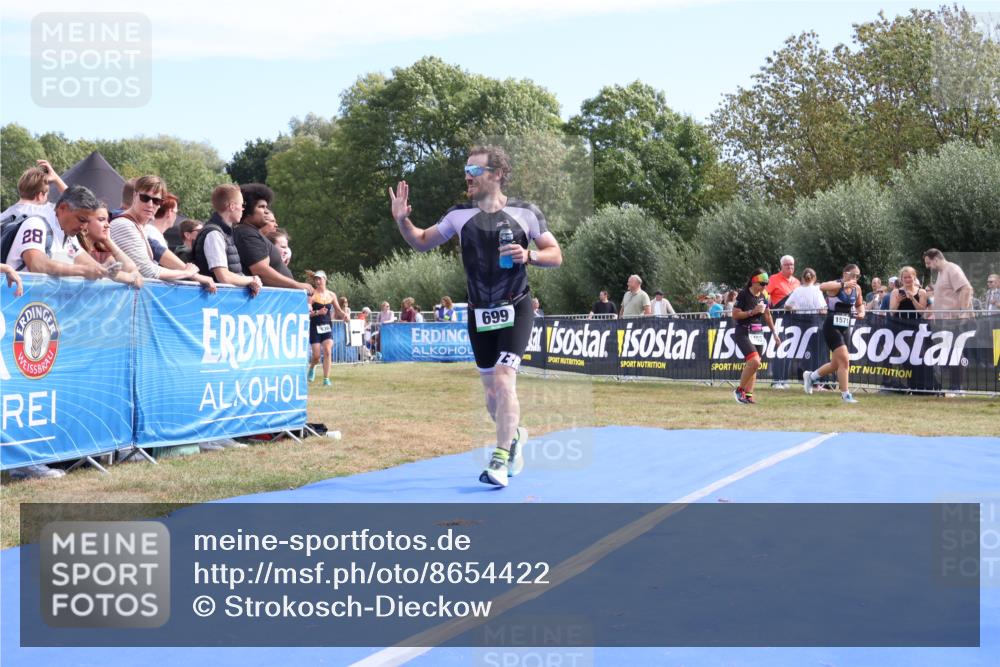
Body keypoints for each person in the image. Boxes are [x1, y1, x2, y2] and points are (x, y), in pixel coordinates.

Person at [389, 144, 562, 487]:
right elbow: (422, 241)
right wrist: (402, 220)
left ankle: (499, 460)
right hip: (479, 312)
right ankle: (514, 438)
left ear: (496, 174)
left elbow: (555, 254)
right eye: (466, 172)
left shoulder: (526, 213)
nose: (467, 177)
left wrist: (529, 256)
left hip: (516, 306)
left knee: (503, 378)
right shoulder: (458, 214)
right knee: (491, 395)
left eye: (474, 171)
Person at [109, 176, 215, 290]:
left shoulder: (138, 226)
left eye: (156, 200)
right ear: (135, 196)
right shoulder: (124, 225)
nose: (150, 204)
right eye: (145, 198)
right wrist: (187, 273)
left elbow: (159, 252)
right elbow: (148, 271)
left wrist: (194, 275)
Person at [3, 185, 108, 281]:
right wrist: (83, 271)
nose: (83, 227)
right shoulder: (36, 224)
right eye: (81, 219)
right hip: (19, 298)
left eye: (87, 222)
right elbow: (37, 265)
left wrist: (112, 273)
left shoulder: (68, 234)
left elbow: (94, 267)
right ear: (62, 208)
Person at [803, 264, 866, 404]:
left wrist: (862, 312)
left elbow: (859, 304)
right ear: (845, 273)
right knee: (844, 360)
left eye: (858, 276)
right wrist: (843, 283)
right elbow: (822, 286)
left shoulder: (857, 289)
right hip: (832, 326)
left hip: (845, 327)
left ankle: (811, 376)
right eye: (853, 275)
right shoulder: (837, 286)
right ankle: (845, 395)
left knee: (836, 364)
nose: (855, 278)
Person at [233, 184, 312, 292]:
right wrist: (296, 285)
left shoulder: (252, 233)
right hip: (269, 303)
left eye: (266, 207)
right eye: (261, 207)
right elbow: (261, 271)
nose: (266, 211)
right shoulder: (246, 234)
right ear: (247, 210)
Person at [192, 184, 262, 296]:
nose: (243, 209)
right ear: (232, 206)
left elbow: (231, 273)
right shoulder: (214, 234)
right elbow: (223, 276)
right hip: (214, 303)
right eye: (242, 204)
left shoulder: (222, 232)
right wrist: (251, 280)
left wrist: (248, 281)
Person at [923, 249, 972, 396]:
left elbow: (966, 288)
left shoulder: (953, 269)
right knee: (950, 353)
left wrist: (963, 311)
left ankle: (957, 387)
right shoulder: (941, 273)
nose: (927, 266)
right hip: (946, 321)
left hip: (954, 320)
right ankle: (954, 386)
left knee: (956, 352)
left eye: (928, 262)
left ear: (936, 259)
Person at [731, 269, 781, 404]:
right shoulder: (744, 294)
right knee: (754, 361)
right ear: (754, 281)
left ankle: (748, 394)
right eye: (762, 284)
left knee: (755, 365)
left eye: (766, 284)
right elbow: (735, 314)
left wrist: (775, 333)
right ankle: (739, 390)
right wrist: (751, 312)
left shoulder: (763, 295)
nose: (764, 287)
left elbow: (767, 315)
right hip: (743, 331)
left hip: (757, 333)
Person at [74, 204, 144, 289]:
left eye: (107, 220)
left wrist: (108, 241)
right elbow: (100, 271)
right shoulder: (77, 248)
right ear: (85, 223)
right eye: (101, 220)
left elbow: (133, 270)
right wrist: (130, 277)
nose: (108, 225)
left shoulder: (101, 252)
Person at [0, 160, 67, 232]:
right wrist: (56, 178)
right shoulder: (46, 212)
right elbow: (76, 201)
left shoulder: (3, 216)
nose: (47, 199)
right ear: (40, 195)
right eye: (47, 195)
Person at [306, 270, 345, 387]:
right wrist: (318, 312)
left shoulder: (331, 295)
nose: (317, 281)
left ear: (325, 279)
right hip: (315, 326)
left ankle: (326, 379)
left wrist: (345, 316)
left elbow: (338, 310)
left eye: (320, 279)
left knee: (328, 351)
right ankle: (312, 367)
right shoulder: (312, 295)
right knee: (316, 355)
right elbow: (307, 313)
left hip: (327, 326)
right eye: (316, 279)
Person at [767, 255, 800, 389]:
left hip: (794, 318)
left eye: (792, 264)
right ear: (781, 266)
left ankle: (784, 379)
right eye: (787, 265)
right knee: (780, 347)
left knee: (789, 348)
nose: (790, 267)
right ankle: (776, 380)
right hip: (779, 317)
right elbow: (765, 295)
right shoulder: (773, 279)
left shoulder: (797, 282)